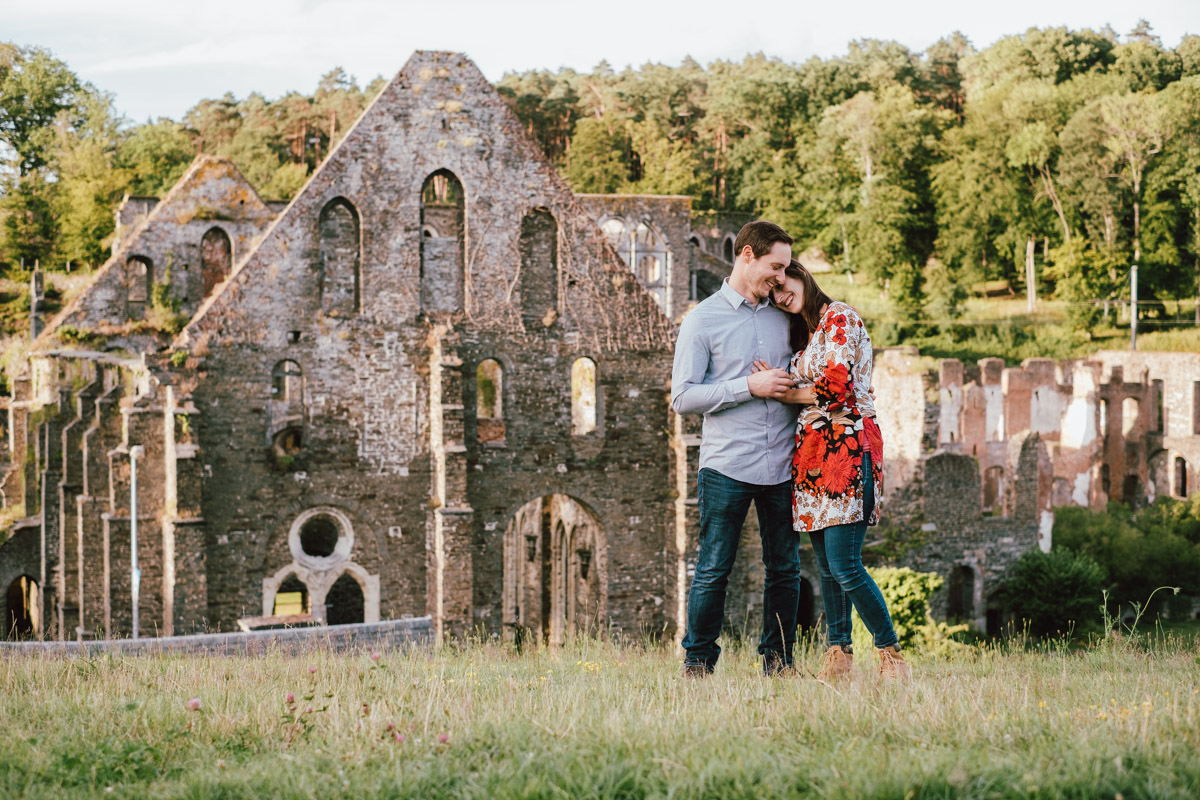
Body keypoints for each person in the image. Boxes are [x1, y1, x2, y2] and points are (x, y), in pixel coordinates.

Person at [758, 260, 910, 681]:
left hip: (846, 445)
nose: (780, 296)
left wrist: (786, 393)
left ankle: (890, 654)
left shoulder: (840, 317)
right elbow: (815, 387)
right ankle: (839, 654)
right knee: (825, 564)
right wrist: (785, 383)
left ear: (801, 275)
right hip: (810, 453)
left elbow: (836, 390)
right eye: (772, 294)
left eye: (782, 284)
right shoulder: (805, 335)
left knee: (845, 563)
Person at [671, 220, 801, 677]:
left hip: (783, 465)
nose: (781, 278)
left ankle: (779, 662)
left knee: (785, 568)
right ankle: (699, 662)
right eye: (775, 266)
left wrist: (790, 385)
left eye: (785, 269)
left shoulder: (785, 314)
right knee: (713, 568)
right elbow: (682, 397)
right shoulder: (702, 320)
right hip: (727, 466)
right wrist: (750, 385)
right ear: (746, 255)